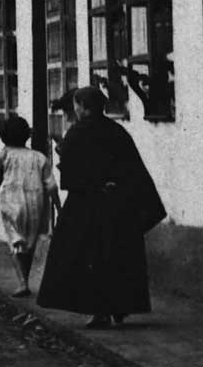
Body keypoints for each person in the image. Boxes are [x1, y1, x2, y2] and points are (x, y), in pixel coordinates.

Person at [35, 87, 165, 328]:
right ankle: (120, 307)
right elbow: (134, 170)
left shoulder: (77, 132)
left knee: (89, 257)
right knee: (118, 256)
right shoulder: (117, 131)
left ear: (83, 106)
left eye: (76, 105)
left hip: (87, 205)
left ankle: (100, 312)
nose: (75, 109)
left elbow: (71, 176)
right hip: (119, 205)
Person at [0, 115, 58, 297]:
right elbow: (51, 186)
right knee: (30, 242)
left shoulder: (4, 154)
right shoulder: (39, 157)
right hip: (36, 204)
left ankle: (22, 282)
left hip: (12, 203)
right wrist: (58, 205)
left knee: (16, 242)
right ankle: (25, 280)